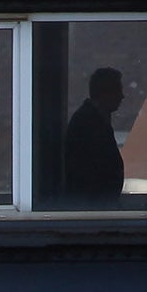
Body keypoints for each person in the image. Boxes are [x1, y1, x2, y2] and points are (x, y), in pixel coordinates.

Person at [62, 67, 127, 206]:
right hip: (92, 207)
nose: (122, 96)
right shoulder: (88, 123)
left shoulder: (91, 120)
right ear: (105, 93)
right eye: (118, 90)